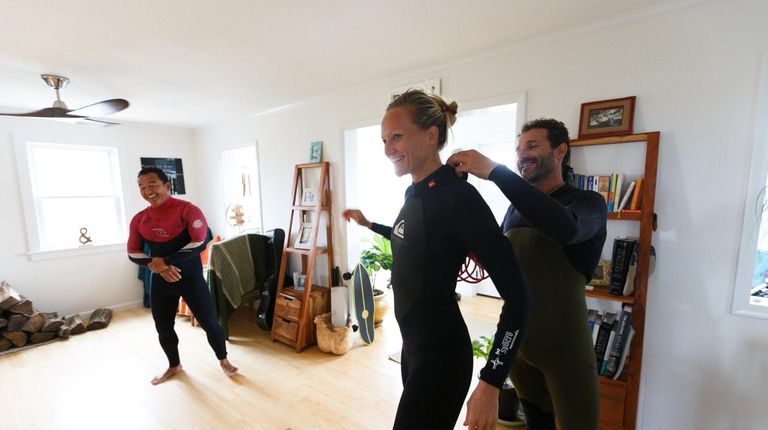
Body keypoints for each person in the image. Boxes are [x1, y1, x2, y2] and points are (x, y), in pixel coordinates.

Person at [343, 89, 530, 430]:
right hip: (413, 350)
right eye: (384, 140)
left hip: (442, 356)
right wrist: (369, 224)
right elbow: (412, 238)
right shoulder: (413, 192)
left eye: (396, 137)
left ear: (431, 136)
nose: (387, 149)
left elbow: (519, 298)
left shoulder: (460, 197)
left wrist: (491, 381)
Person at [447, 118, 607, 430]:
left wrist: (495, 171)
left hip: (566, 352)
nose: (522, 155)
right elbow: (505, 262)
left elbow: (565, 228)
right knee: (536, 426)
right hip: (519, 347)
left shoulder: (588, 203)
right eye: (519, 149)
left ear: (561, 151)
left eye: (532, 146)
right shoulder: (514, 210)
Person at [127, 167, 238, 385]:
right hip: (160, 280)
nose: (147, 190)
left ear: (167, 186)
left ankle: (224, 361)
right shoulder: (140, 219)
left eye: (152, 185)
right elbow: (132, 251)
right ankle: (174, 365)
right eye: (142, 186)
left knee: (208, 321)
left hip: (190, 278)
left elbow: (199, 242)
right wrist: (158, 266)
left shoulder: (188, 210)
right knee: (163, 326)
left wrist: (164, 262)